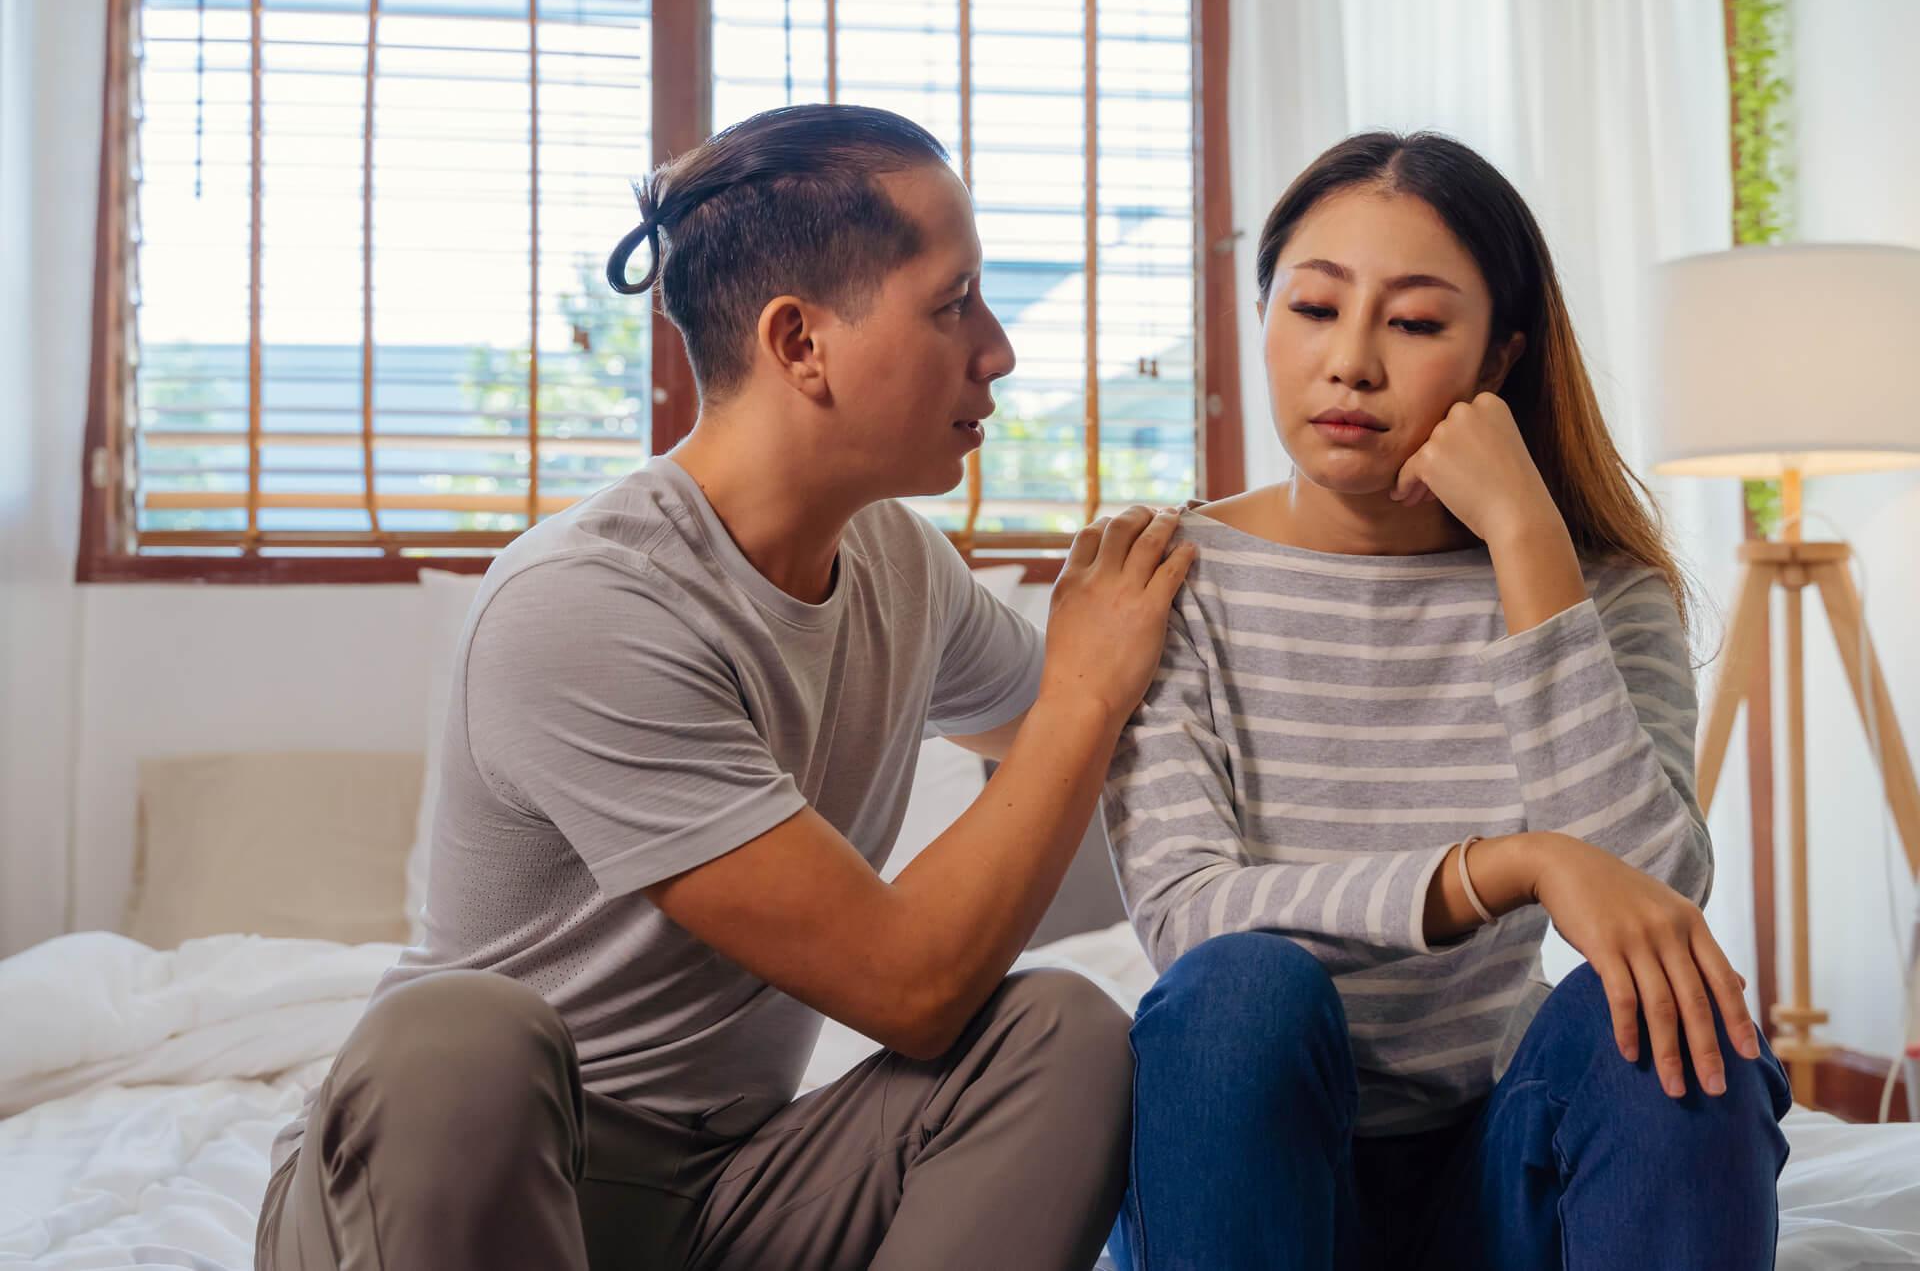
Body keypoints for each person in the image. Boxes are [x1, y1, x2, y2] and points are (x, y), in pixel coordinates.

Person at [256, 103, 1194, 1271]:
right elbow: (910, 984)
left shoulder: (901, 565)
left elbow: (1111, 720)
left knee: (1062, 1028)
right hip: (470, 1179)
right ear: (800, 342)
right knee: (459, 1036)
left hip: (722, 1194)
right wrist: (1080, 697)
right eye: (954, 303)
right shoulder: (586, 604)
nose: (997, 348)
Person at [1103, 131, 1793, 1271]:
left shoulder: (1596, 592)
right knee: (1238, 990)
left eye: (1416, 324)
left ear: (1500, 355)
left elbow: (1652, 895)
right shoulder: (1165, 578)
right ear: (1261, 314)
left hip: (1491, 1174)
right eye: (1314, 308)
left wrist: (1526, 545)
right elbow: (1188, 918)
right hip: (1248, 1170)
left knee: (1668, 1025)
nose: (1352, 363)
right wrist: (1509, 864)